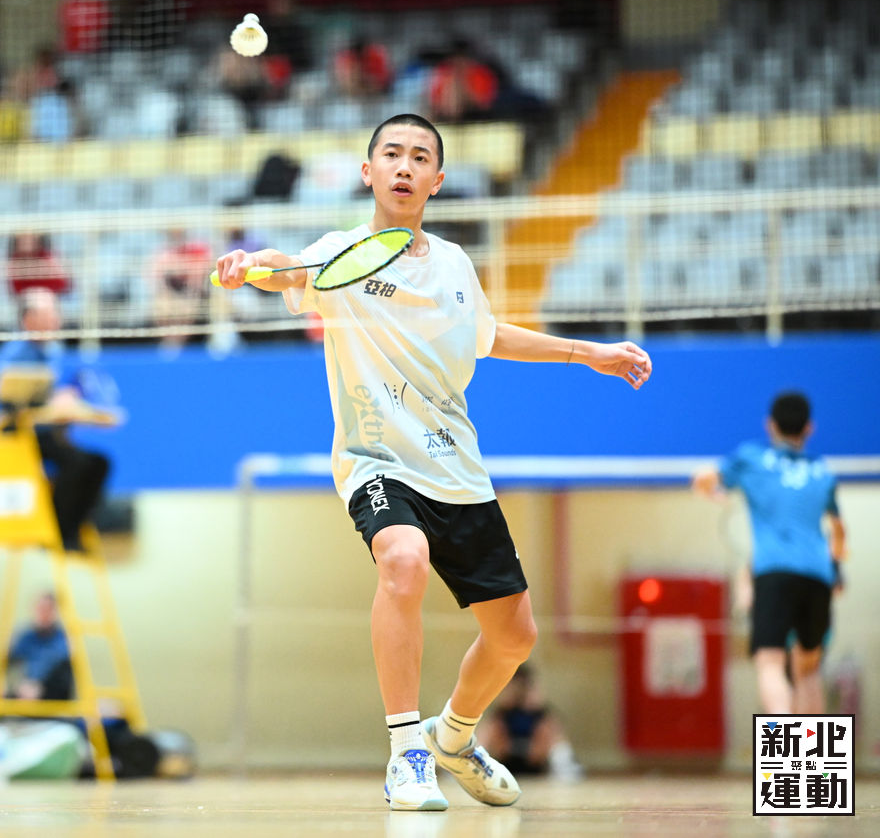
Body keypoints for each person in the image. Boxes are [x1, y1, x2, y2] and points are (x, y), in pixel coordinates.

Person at [213, 113, 652, 811]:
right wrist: (247, 265)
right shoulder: (341, 253)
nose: (405, 165)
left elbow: (488, 335)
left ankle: (452, 735)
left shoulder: (454, 264)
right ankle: (406, 752)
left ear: (437, 180)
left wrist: (587, 352)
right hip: (376, 459)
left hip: (456, 468)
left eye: (420, 157)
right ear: (369, 172)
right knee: (403, 559)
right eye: (392, 153)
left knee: (514, 636)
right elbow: (282, 269)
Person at [691, 391, 846, 715]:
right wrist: (837, 566)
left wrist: (710, 492)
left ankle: (783, 745)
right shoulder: (822, 470)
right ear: (809, 428)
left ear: (770, 425)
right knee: (808, 669)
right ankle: (813, 750)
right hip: (818, 576)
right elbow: (838, 529)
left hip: (775, 571)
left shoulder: (752, 458)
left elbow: (704, 478)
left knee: (770, 662)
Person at [0, 288, 121, 553]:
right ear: (28, 319)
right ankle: (55, 531)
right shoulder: (15, 354)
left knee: (99, 463)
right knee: (75, 464)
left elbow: (61, 396)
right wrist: (51, 401)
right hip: (24, 438)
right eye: (49, 314)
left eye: (56, 313)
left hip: (52, 434)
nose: (56, 320)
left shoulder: (55, 351)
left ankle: (71, 529)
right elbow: (10, 400)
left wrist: (80, 408)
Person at [477, 665, 582, 780]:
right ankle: (474, 766)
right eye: (513, 686)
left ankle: (564, 768)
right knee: (486, 730)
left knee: (553, 731)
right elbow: (499, 745)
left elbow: (542, 744)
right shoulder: (500, 715)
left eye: (523, 686)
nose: (518, 691)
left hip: (536, 759)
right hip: (507, 759)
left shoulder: (542, 715)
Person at [6, 592, 73, 702]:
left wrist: (40, 688)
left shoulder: (65, 638)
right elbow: (8, 662)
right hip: (27, 691)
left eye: (48, 609)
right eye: (40, 608)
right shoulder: (26, 636)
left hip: (54, 694)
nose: (43, 613)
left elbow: (64, 674)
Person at [5, 232, 70, 298]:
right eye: (23, 240)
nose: (27, 243)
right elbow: (16, 288)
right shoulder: (14, 260)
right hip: (24, 299)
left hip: (49, 297)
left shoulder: (46, 256)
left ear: (37, 241)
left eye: (30, 239)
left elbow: (61, 284)